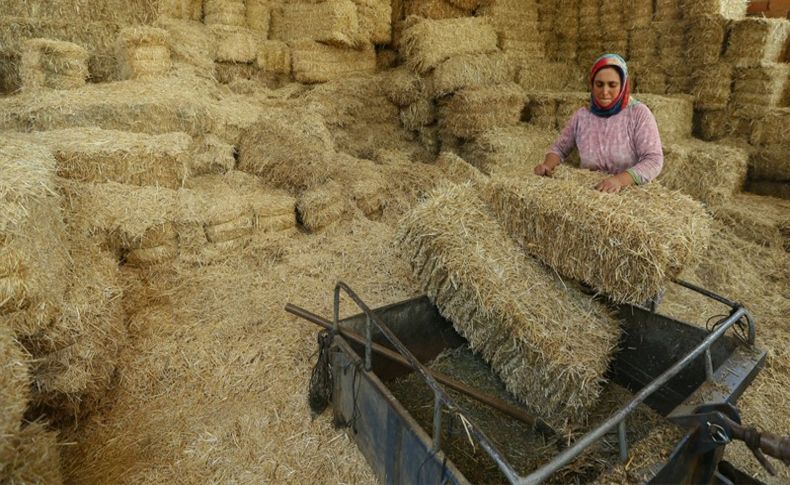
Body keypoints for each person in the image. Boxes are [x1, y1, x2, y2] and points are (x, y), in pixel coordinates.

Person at [533, 54, 663, 193]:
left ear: (623, 85)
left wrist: (619, 180)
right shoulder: (582, 116)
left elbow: (654, 160)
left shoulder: (638, 114)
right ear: (592, 84)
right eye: (599, 84)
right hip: (590, 193)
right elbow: (559, 149)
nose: (604, 92)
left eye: (612, 85)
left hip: (629, 196)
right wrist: (547, 165)